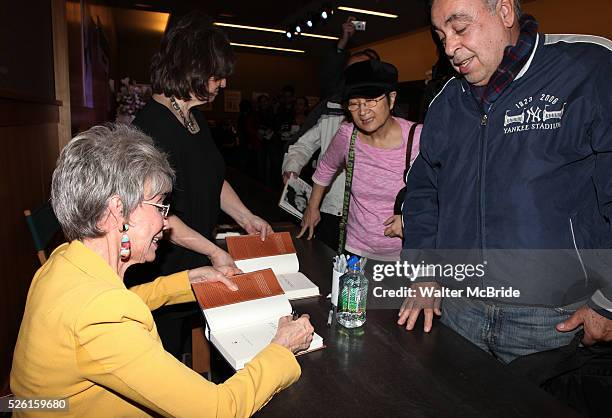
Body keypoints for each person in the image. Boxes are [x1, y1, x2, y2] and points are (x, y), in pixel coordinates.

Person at [10, 124, 315, 417]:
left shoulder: (64, 258)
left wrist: (187, 280)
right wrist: (281, 348)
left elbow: (115, 303)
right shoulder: (102, 316)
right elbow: (218, 409)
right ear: (119, 211)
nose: (165, 223)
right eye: (159, 207)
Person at [399, 0, 612, 362]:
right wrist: (424, 271)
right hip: (458, 309)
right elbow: (423, 194)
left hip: (554, 322)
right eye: (441, 35)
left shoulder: (588, 69)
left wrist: (608, 302)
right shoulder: (447, 101)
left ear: (506, 12)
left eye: (460, 28)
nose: (449, 48)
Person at [128, 11, 272, 357]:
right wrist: (213, 251)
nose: (222, 84)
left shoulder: (194, 120)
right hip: (165, 262)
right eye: (215, 75)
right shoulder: (150, 127)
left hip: (195, 252)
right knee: (166, 356)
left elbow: (211, 177)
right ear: (189, 67)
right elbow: (157, 217)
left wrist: (245, 216)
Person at [299, 59, 421, 261]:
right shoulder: (348, 135)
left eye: (371, 101)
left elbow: (442, 191)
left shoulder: (417, 138)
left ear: (391, 100)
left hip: (404, 254)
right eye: (354, 104)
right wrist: (313, 208)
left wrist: (411, 219)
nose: (363, 112)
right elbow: (326, 167)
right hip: (356, 249)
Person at [282, 49, 379, 250]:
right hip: (327, 208)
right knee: (325, 266)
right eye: (351, 70)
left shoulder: (385, 115)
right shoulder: (331, 108)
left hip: (368, 215)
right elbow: (303, 144)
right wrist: (292, 168)